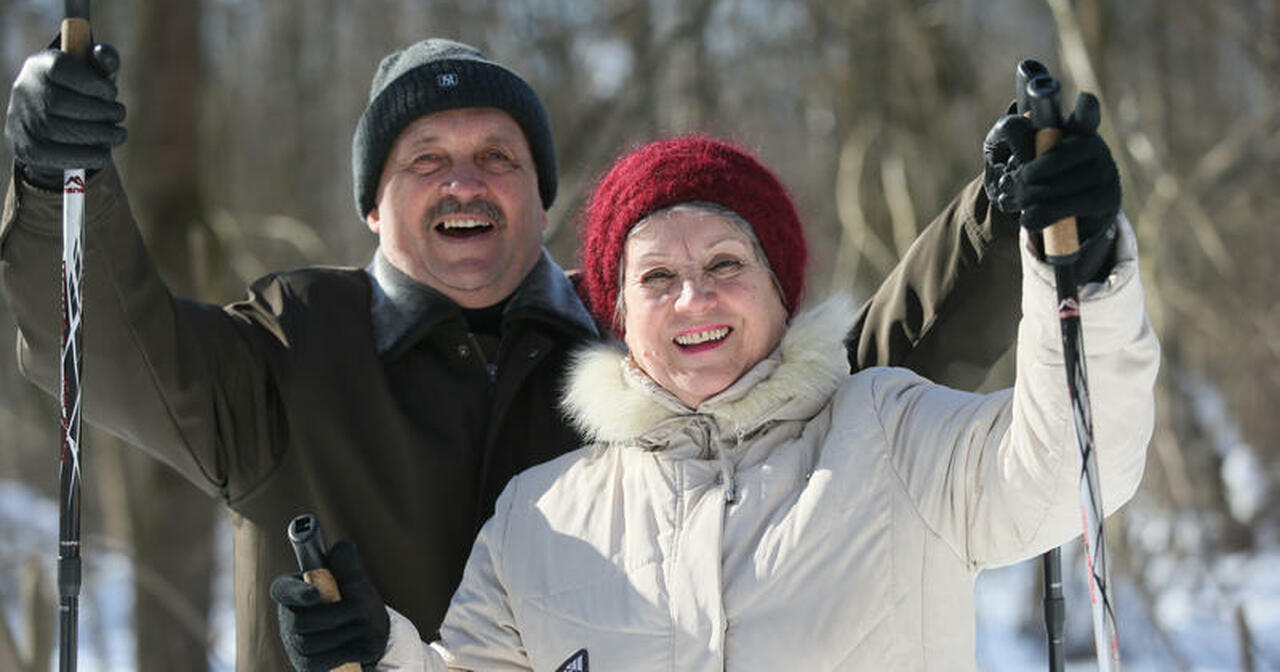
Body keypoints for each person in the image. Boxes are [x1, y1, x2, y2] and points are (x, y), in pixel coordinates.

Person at [5, 36, 1054, 669]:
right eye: (426, 159)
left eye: (496, 156)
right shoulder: (287, 353)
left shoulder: (639, 346)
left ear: (539, 196)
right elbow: (96, 343)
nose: (464, 180)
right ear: (372, 205)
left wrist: (1003, 219)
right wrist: (61, 183)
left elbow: (848, 367)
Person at [273, 128, 1157, 671]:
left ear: (781, 290)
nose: (694, 300)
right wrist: (375, 652)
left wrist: (1073, 270)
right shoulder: (540, 519)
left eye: (726, 265)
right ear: (620, 316)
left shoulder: (890, 433)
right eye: (657, 277)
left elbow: (1069, 465)